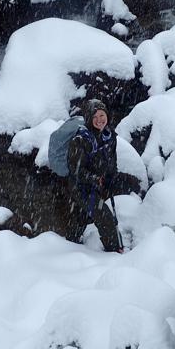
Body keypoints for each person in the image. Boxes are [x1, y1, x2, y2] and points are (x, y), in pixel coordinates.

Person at [64, 99, 122, 252]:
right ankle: (115, 251)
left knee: (80, 216)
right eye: (94, 117)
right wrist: (96, 179)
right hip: (81, 187)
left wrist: (111, 178)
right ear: (89, 119)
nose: (99, 120)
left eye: (102, 115)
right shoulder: (81, 140)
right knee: (104, 216)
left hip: (98, 186)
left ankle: (71, 243)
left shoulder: (110, 136)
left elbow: (112, 161)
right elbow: (75, 169)